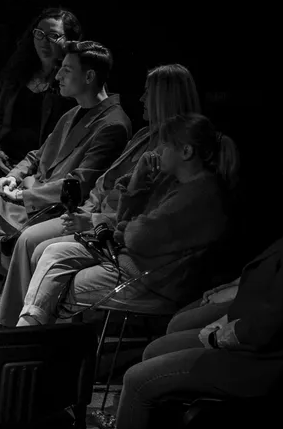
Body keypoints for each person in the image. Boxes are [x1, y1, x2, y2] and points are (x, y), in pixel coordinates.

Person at [74, 137, 283, 429]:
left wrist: (221, 333)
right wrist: (231, 297)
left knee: (138, 378)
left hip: (263, 360)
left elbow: (276, 319)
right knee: (157, 348)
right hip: (249, 335)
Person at [0, 41, 132, 340]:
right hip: (29, 194)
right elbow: (37, 155)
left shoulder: (112, 124)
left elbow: (79, 184)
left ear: (90, 76)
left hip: (55, 207)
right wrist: (11, 177)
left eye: (66, 70)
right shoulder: (73, 112)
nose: (58, 76)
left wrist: (22, 196)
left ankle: (11, 323)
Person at [0, 64, 201, 326]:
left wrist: (94, 220)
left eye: (148, 92)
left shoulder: (170, 156)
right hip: (97, 216)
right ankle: (16, 324)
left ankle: (18, 327)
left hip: (112, 234)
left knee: (34, 242)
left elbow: (140, 217)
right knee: (27, 239)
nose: (141, 98)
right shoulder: (143, 135)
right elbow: (107, 184)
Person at [16, 113, 239, 326]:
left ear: (186, 151)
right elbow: (128, 222)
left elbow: (138, 237)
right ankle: (29, 336)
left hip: (150, 281)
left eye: (165, 144)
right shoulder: (174, 182)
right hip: (128, 260)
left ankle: (26, 337)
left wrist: (122, 229)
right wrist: (137, 180)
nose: (159, 150)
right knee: (53, 254)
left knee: (55, 286)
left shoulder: (200, 194)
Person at [0, 8, 81, 196]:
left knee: (10, 200)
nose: (44, 41)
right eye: (39, 34)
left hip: (44, 165)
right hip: (7, 158)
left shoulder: (70, 82)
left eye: (53, 36)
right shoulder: (19, 72)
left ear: (69, 40)